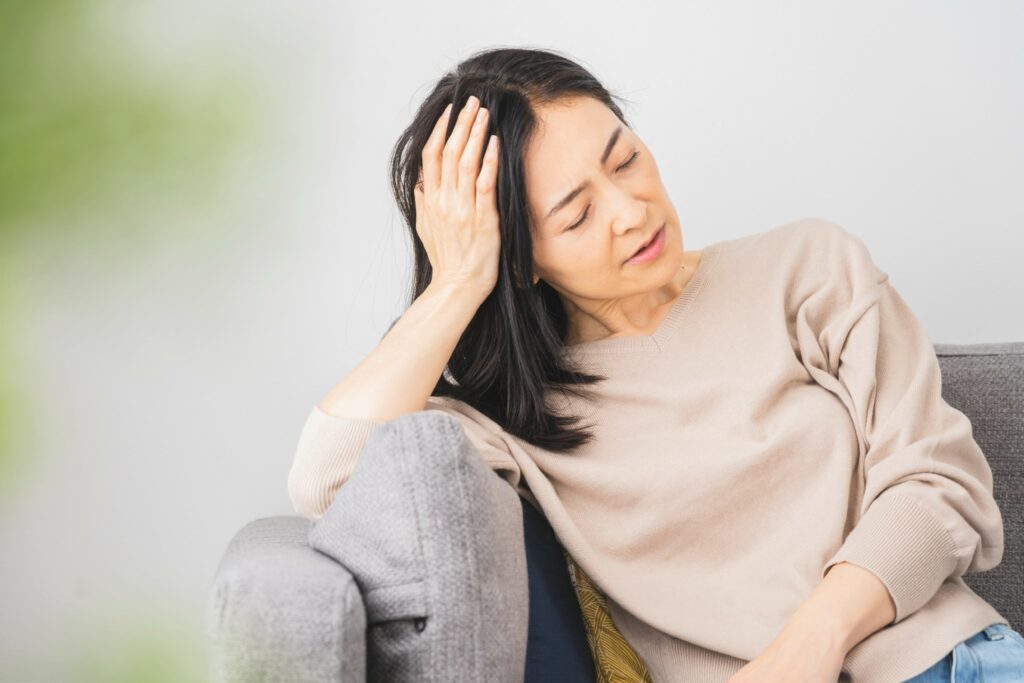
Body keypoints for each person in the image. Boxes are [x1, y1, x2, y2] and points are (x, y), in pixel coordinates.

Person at [287, 46, 1024, 682]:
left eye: (625, 160)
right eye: (576, 214)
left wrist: (807, 648)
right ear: (520, 260)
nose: (631, 211)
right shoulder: (511, 419)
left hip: (957, 662)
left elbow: (939, 483)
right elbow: (328, 477)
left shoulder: (805, 268)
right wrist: (457, 283)